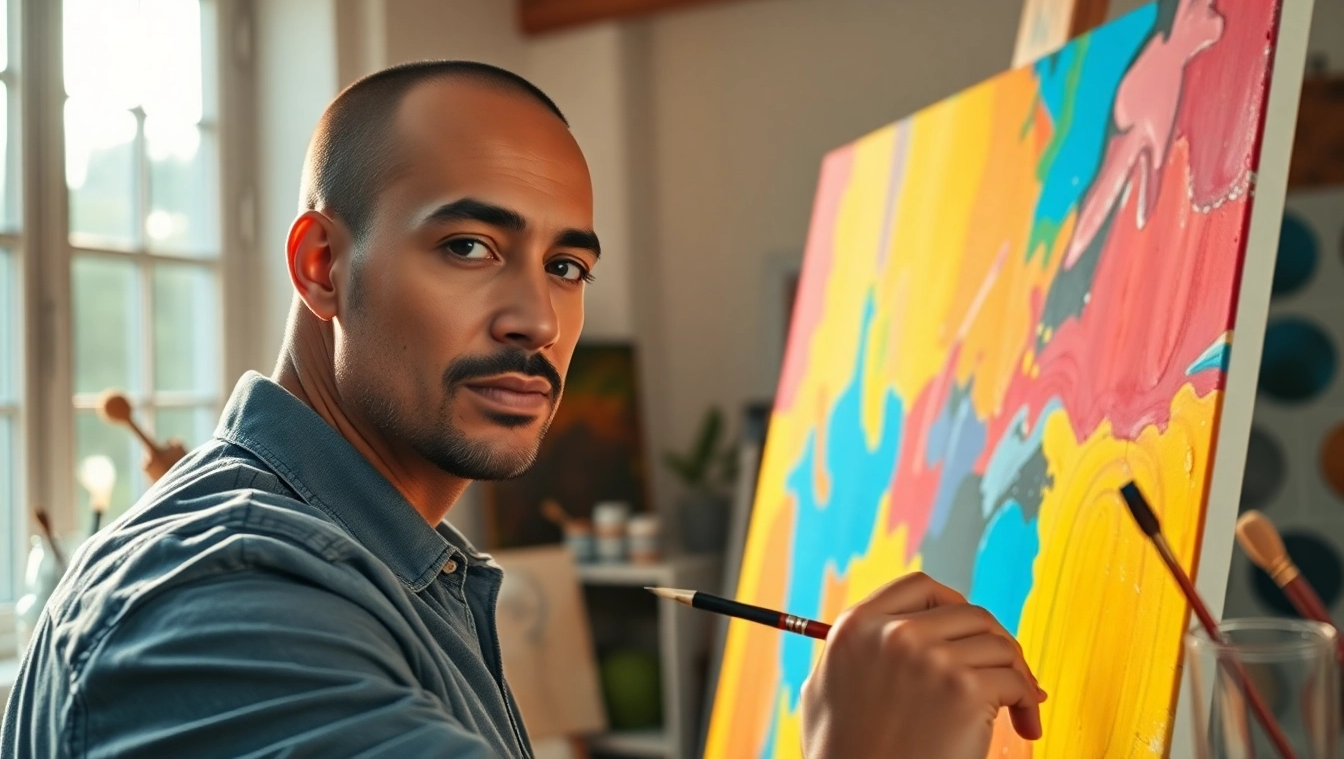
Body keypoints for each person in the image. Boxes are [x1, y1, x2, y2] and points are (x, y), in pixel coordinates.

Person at [1, 61, 1044, 759]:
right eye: (469, 247)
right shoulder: (220, 604)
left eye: (567, 264)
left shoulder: (388, 564)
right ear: (324, 265)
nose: (537, 318)